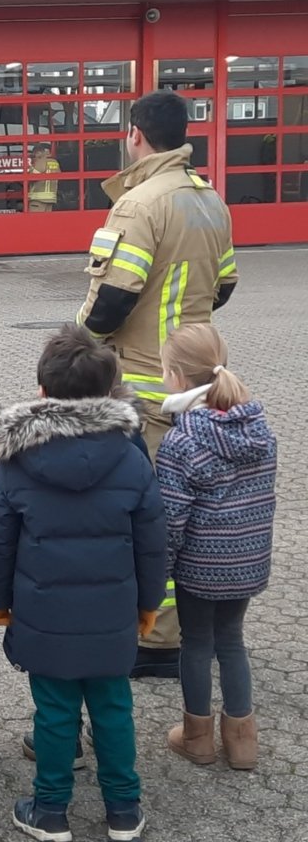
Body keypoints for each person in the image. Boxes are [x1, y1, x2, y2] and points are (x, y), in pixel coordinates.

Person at [76, 89, 239, 679]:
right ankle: (191, 629)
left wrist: (74, 345)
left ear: (136, 135)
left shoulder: (139, 203)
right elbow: (224, 286)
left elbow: (112, 299)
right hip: (196, 375)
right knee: (192, 509)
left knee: (151, 513)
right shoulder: (210, 200)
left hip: (147, 389)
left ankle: (159, 641)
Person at [0, 326, 167, 842]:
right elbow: (153, 538)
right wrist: (149, 603)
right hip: (113, 614)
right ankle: (124, 811)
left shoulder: (15, 460)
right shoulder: (131, 455)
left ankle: (50, 811)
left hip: (44, 616)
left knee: (55, 712)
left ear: (42, 393)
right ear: (110, 393)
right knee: (113, 708)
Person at [156, 324, 276, 771]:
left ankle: (197, 737)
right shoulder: (260, 429)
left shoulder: (181, 439)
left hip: (200, 566)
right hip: (248, 560)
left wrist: (159, 570)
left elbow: (171, 520)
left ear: (177, 377)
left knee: (196, 643)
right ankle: (243, 743)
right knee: (232, 642)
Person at [27, 144, 61, 212]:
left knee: (35, 221)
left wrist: (29, 168)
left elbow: (32, 177)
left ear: (39, 153)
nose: (33, 156)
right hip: (51, 199)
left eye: (34, 154)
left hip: (38, 200)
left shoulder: (41, 161)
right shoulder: (55, 162)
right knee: (47, 221)